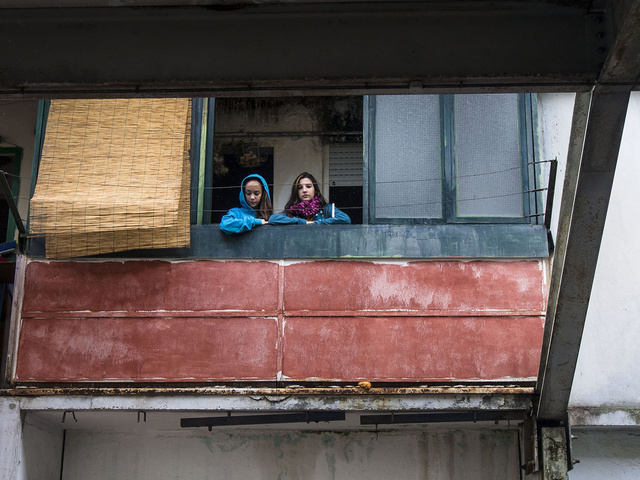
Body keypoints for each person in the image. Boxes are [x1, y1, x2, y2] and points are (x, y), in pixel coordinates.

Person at [269, 172, 351, 225]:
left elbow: (345, 219)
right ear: (296, 192)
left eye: (308, 186)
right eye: (300, 188)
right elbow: (273, 219)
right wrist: (302, 222)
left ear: (315, 189)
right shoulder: (292, 212)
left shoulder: (326, 209)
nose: (304, 190)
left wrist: (317, 224)